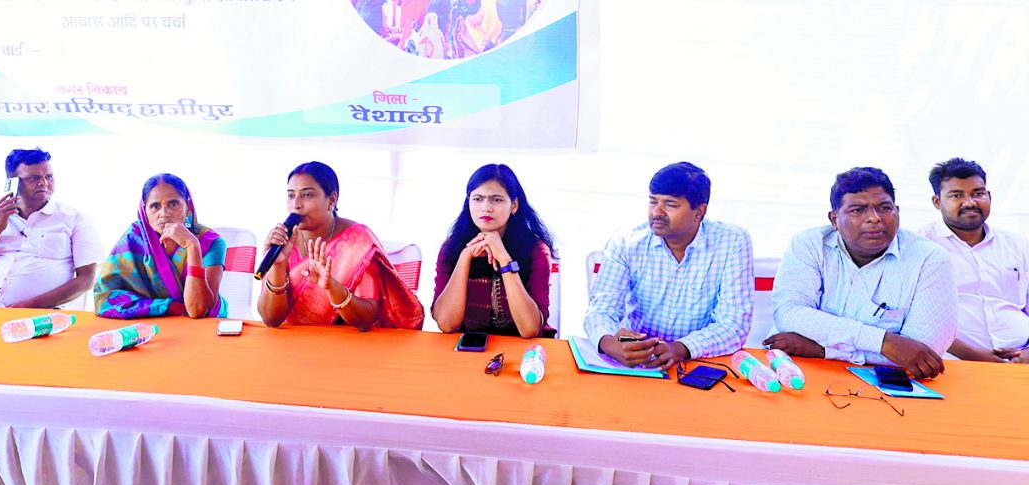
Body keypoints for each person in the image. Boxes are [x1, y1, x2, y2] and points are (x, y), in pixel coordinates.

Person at [768, 167, 957, 379]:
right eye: (857, 210)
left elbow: (922, 354)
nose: (874, 218)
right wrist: (885, 342)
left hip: (887, 380)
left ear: (897, 211)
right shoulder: (810, 244)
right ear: (834, 219)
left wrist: (823, 350)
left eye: (884, 208)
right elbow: (790, 314)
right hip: (797, 367)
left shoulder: (929, 259)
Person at [584, 162, 754, 370]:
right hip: (638, 362)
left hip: (697, 362)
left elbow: (734, 325)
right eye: (653, 201)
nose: (657, 212)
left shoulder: (732, 241)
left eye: (670, 204)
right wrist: (607, 342)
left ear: (699, 212)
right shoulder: (627, 242)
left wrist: (681, 348)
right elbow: (601, 309)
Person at [257, 161, 424, 331]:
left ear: (332, 199)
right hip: (289, 341)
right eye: (291, 195)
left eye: (307, 195)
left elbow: (365, 319)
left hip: (344, 342)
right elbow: (271, 319)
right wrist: (278, 266)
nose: (296, 204)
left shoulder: (357, 241)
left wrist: (331, 286)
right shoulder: (283, 240)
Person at [0, 148, 102, 308]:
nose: (44, 183)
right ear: (11, 183)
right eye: (33, 178)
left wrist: (32, 304)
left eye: (49, 177)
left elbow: (87, 279)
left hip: (40, 315)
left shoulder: (74, 218)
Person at [917, 158, 1029, 363]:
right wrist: (977, 357)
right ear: (937, 202)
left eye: (978, 193)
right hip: (952, 363)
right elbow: (913, 320)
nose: (970, 202)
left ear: (989, 196)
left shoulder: (1019, 246)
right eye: (956, 195)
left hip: (1021, 362)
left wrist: (1027, 355)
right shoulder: (919, 248)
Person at [432, 164, 555, 338]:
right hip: (470, 348)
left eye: (496, 200)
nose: (486, 207)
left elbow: (529, 329)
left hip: (526, 350)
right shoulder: (451, 247)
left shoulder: (536, 250)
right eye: (478, 199)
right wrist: (465, 257)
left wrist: (504, 259)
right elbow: (446, 324)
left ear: (514, 205)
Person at [94, 173, 230, 318]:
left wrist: (192, 246)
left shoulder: (210, 242)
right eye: (155, 206)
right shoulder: (133, 240)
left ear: (188, 208)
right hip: (152, 320)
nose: (164, 213)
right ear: (144, 211)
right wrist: (166, 307)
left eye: (173, 204)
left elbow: (198, 309)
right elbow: (103, 297)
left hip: (206, 323)